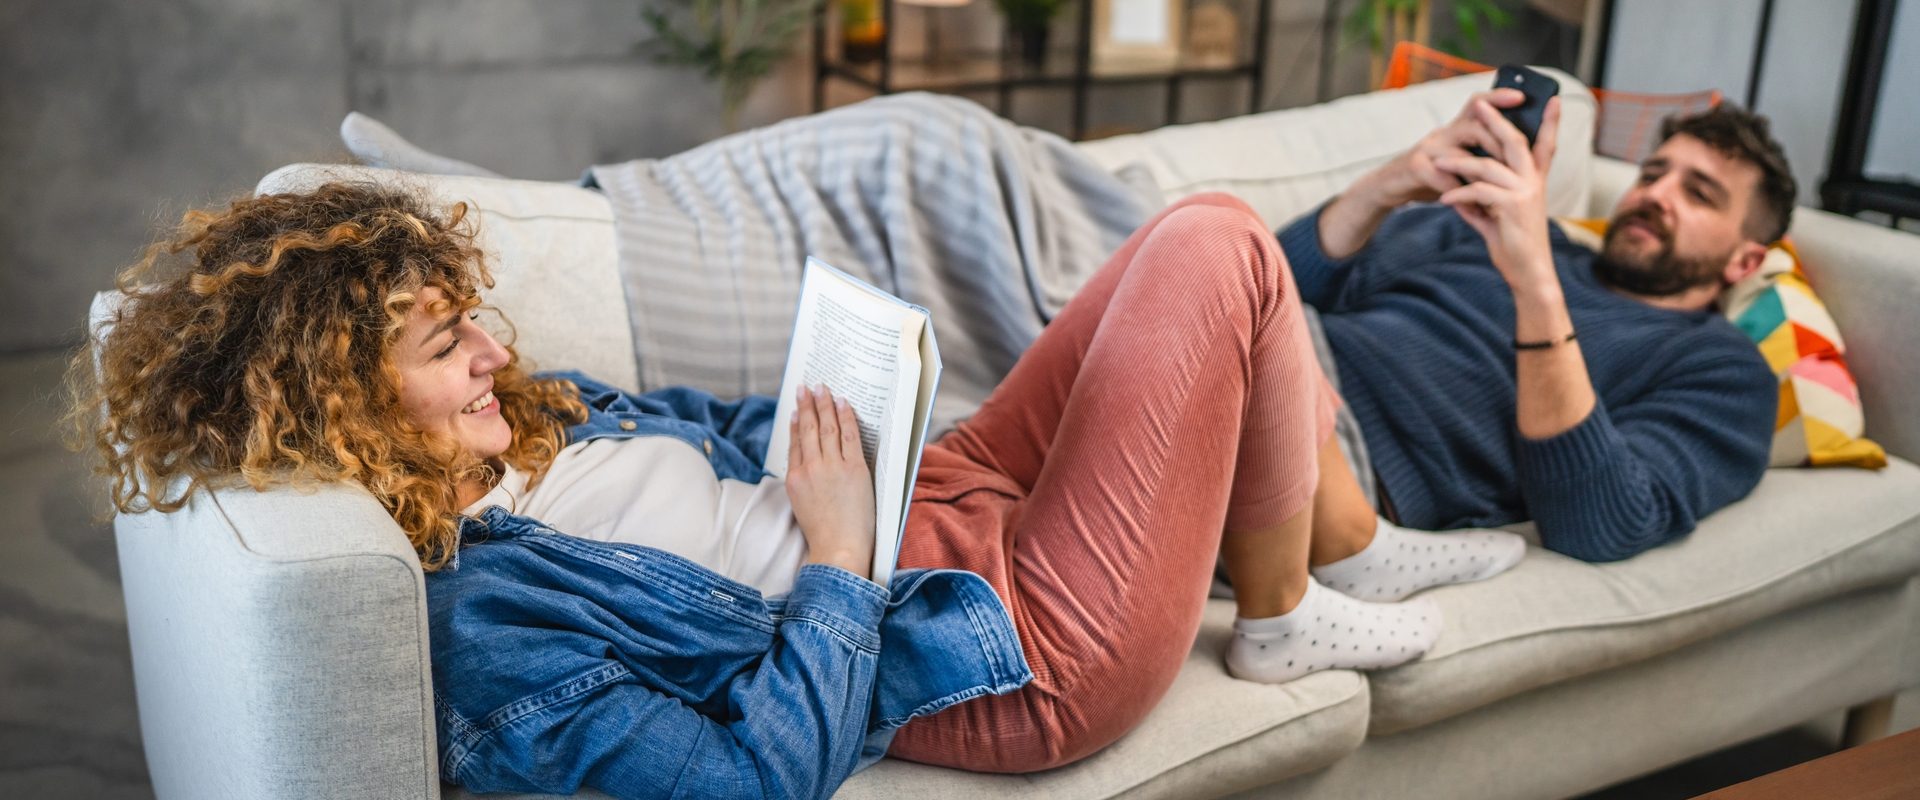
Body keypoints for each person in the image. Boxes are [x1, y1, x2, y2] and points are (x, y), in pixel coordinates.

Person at [69, 99, 1579, 798]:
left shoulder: (522, 424)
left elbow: (724, 455)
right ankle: (1291, 604)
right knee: (1227, 253)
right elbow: (749, 783)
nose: (497, 351)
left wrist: (843, 405)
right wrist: (843, 554)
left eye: (475, 317)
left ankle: (1328, 559)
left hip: (941, 498)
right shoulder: (485, 622)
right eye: (444, 343)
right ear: (340, 403)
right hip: (1004, 640)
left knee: (1193, 235)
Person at [1276, 92, 1790, 565]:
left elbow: (1603, 523)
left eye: (1698, 194)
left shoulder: (1725, 371)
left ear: (1745, 262)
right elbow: (1281, 284)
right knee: (1223, 242)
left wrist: (1534, 283)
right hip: (1289, 359)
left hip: (1346, 462)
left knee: (1222, 255)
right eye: (1652, 174)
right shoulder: (1483, 224)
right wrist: (1388, 185)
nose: (1656, 194)